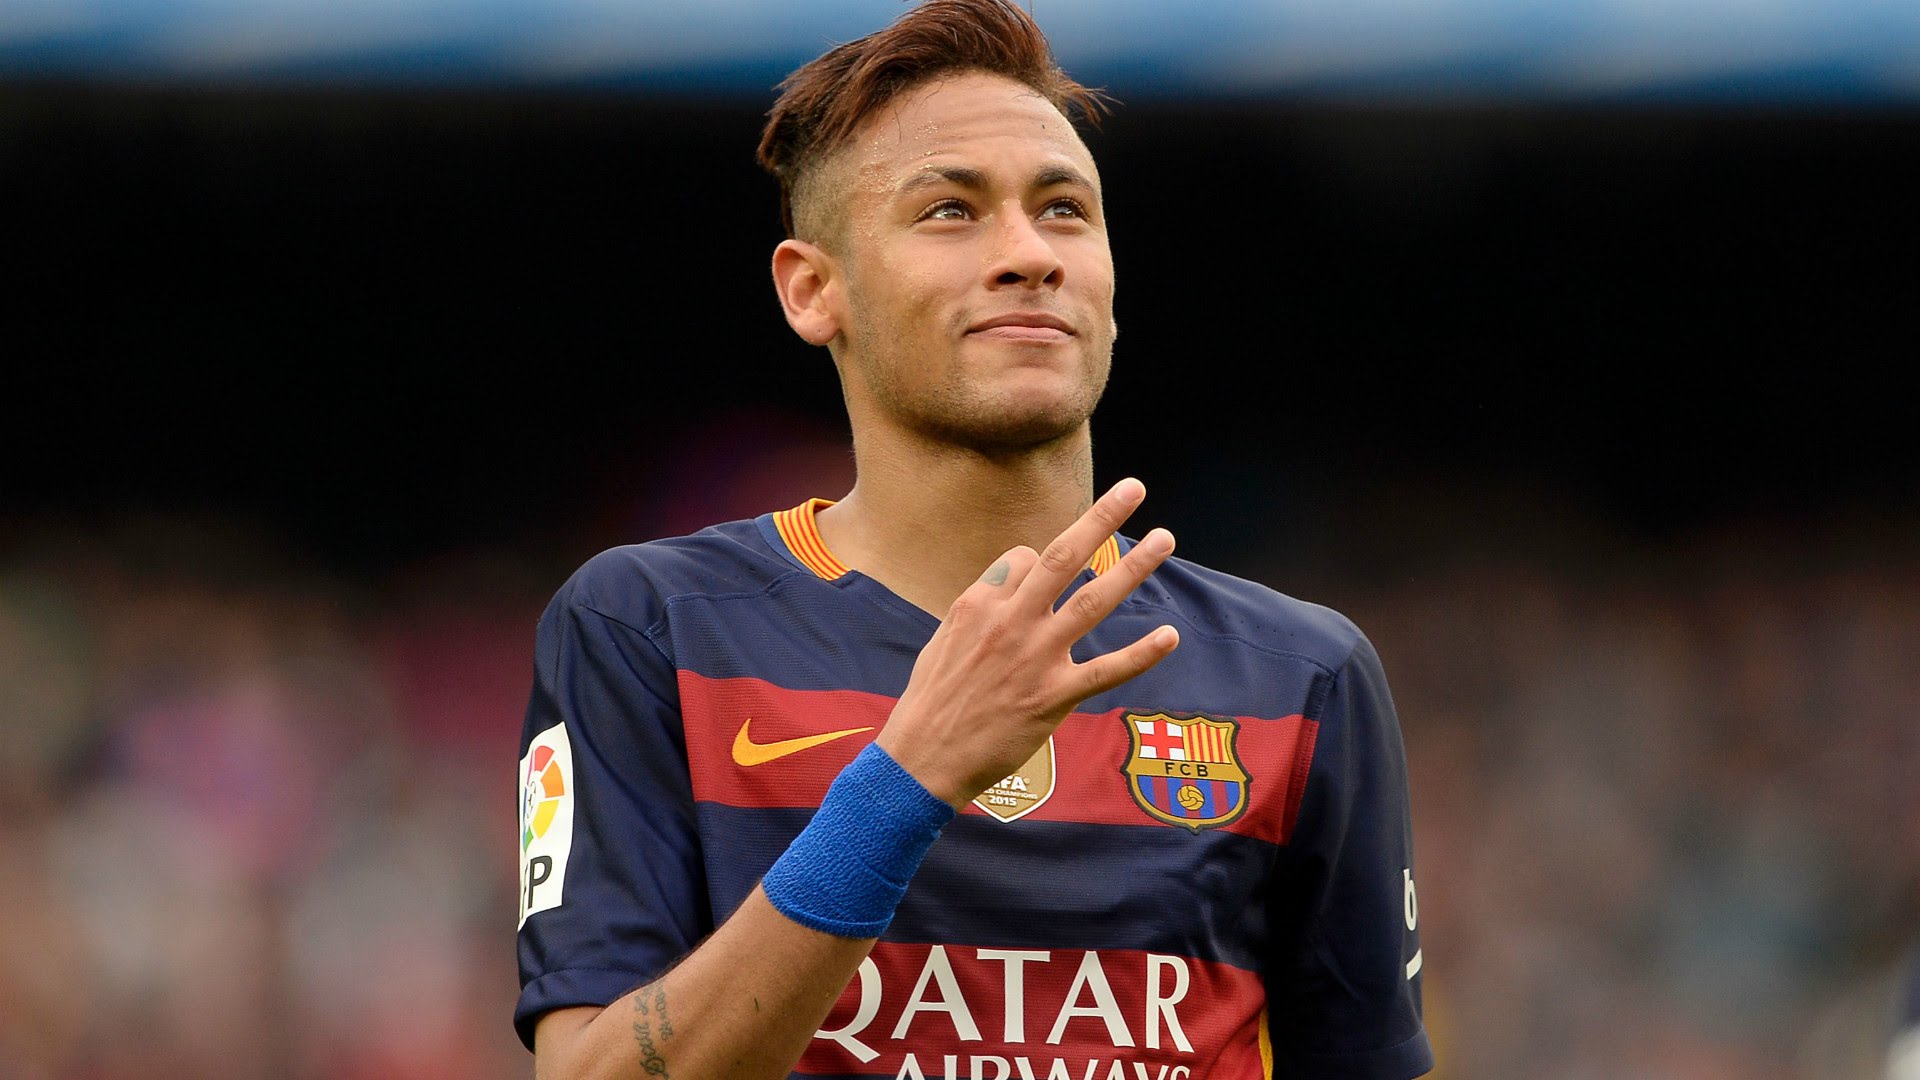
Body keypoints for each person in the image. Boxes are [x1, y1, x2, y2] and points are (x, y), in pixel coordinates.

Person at [514, 1, 1433, 1076]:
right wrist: (910, 778)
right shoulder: (652, 629)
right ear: (813, 290)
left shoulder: (1300, 677)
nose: (1027, 254)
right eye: (950, 211)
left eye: (1064, 210)